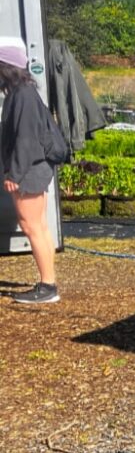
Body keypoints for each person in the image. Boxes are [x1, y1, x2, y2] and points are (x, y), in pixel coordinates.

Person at [0, 39, 59, 305]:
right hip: (35, 167)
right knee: (40, 227)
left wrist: (14, 174)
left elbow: (25, 138)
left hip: (29, 170)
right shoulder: (23, 92)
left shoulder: (21, 96)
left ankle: (47, 287)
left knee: (31, 225)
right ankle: (49, 282)